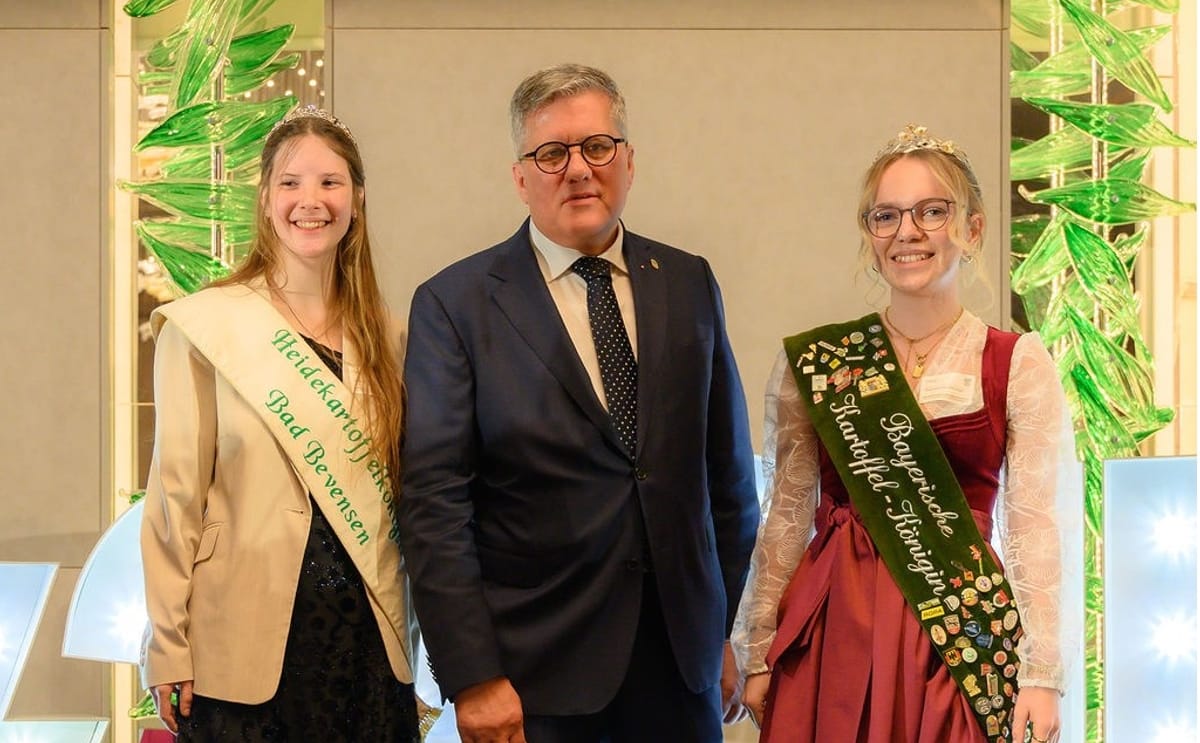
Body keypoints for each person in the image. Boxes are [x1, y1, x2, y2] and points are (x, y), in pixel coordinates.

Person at [398, 63, 760, 743]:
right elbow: (434, 505)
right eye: (552, 153)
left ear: (628, 161)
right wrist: (472, 675)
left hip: (683, 674)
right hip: (533, 682)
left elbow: (729, 481)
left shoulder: (688, 282)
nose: (578, 169)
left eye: (597, 147)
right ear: (520, 176)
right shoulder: (456, 304)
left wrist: (720, 629)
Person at [733, 125, 1076, 743]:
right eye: (885, 216)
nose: (907, 232)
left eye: (932, 211)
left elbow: (1035, 527)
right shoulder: (819, 362)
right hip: (833, 624)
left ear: (972, 229)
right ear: (869, 235)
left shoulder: (1014, 362)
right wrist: (756, 645)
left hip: (957, 638)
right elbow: (783, 515)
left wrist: (1042, 673)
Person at [139, 105, 419, 742]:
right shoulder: (206, 327)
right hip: (241, 647)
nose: (310, 201)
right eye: (291, 183)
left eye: (330, 182)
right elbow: (173, 499)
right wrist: (168, 645)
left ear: (357, 199)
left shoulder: (390, 337)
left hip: (369, 641)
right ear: (265, 200)